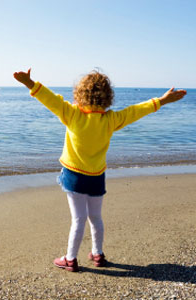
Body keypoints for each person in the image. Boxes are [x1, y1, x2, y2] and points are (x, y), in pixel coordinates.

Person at [13, 69, 186, 272]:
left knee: (78, 219)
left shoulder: (72, 113)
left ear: (79, 94)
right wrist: (162, 101)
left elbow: (49, 98)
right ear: (107, 97)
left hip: (74, 176)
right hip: (97, 177)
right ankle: (98, 254)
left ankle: (70, 259)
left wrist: (29, 83)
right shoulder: (110, 120)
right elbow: (136, 111)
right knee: (95, 217)